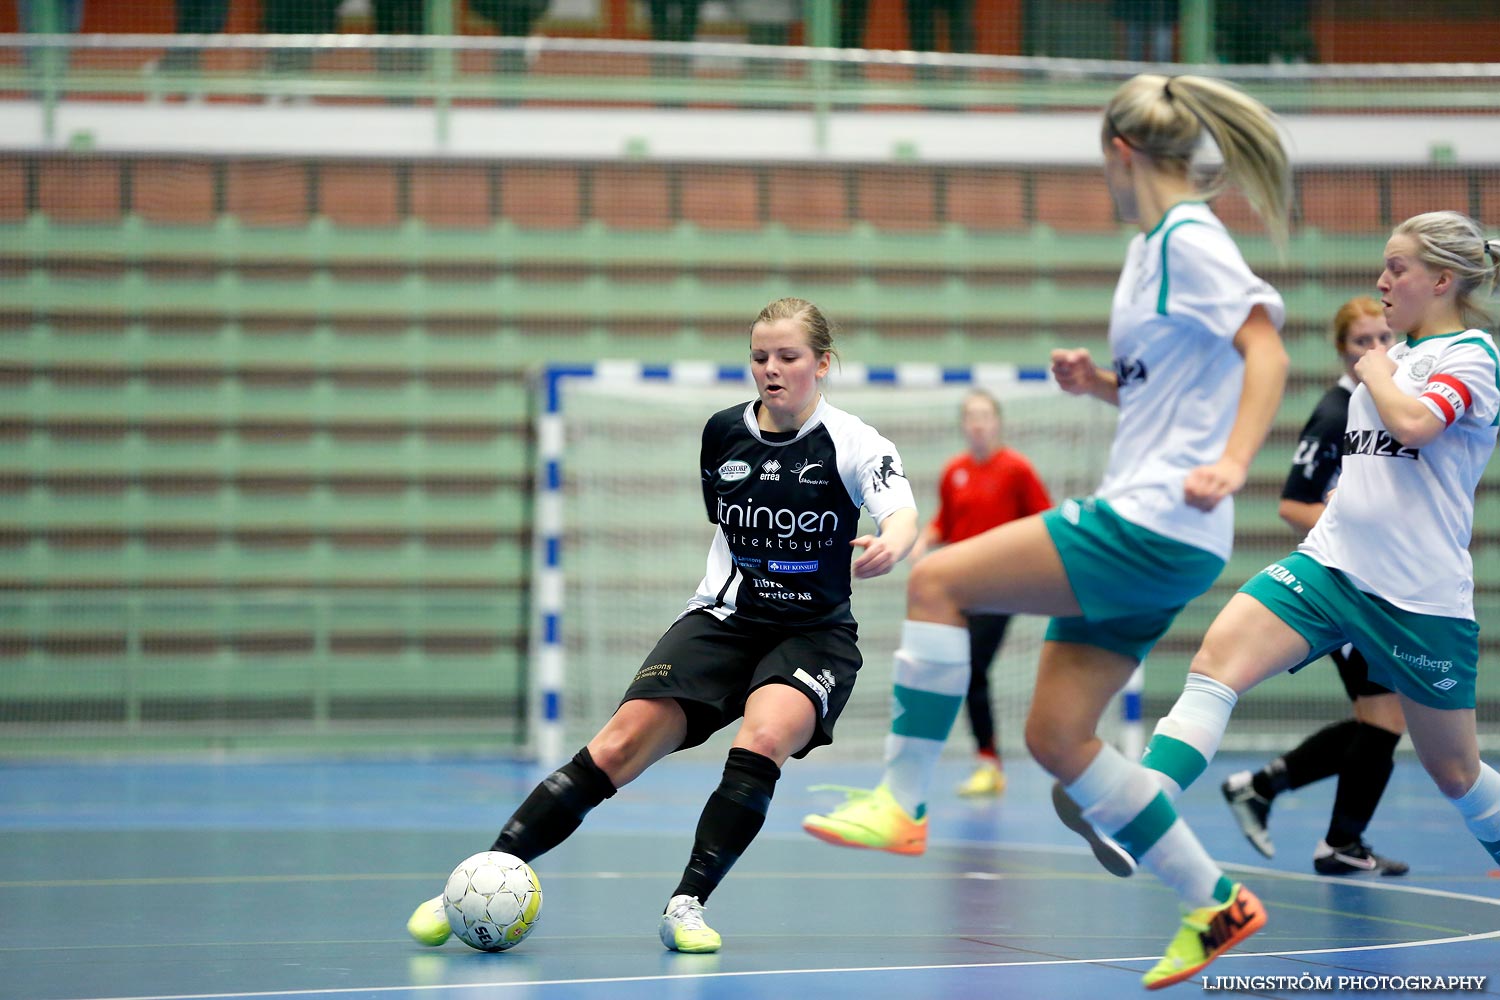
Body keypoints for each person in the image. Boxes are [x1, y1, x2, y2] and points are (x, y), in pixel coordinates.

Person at [802, 72, 1292, 988]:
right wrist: (1102, 384)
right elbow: (1175, 384)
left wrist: (1235, 461)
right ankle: (1212, 901)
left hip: (1153, 520)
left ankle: (901, 801)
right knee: (1060, 740)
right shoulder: (1152, 247)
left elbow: (1265, 349)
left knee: (936, 580)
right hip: (1166, 531)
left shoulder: (1188, 237)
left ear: (1118, 153)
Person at [406, 297, 919, 954]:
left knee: (762, 738)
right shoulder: (723, 434)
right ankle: (475, 880)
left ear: (822, 363)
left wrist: (889, 544)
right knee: (616, 748)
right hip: (724, 619)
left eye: (787, 357)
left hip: (812, 635)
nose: (771, 369)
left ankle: (687, 905)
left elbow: (900, 513)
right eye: (760, 356)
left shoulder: (856, 442)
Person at [1125, 211, 1499, 982]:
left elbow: (1418, 427)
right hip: (1332, 567)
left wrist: (1376, 372)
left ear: (1443, 279)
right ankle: (1140, 809)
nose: (1381, 281)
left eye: (1396, 268)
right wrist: (1379, 369)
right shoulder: (1394, 357)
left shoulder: (1472, 355)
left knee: (1455, 772)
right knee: (1217, 658)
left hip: (1418, 598)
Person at [1220, 296, 1410, 876]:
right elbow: (1292, 503)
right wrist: (1351, 527)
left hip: (1378, 584)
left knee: (1381, 718)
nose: (1374, 351)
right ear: (1340, 349)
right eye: (1361, 342)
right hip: (1344, 586)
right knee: (1386, 718)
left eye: (1383, 338)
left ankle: (1266, 789)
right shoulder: (1336, 412)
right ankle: (1336, 840)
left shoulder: (1379, 406)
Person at [900, 390, 1052, 798]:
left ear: (998, 422)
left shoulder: (1018, 470)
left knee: (972, 667)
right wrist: (921, 542)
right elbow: (945, 523)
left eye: (985, 415)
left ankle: (988, 762)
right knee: (959, 670)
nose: (979, 423)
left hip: (1003, 589)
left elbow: (1044, 522)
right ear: (964, 425)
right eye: (971, 416)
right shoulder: (955, 472)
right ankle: (982, 761)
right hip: (961, 589)